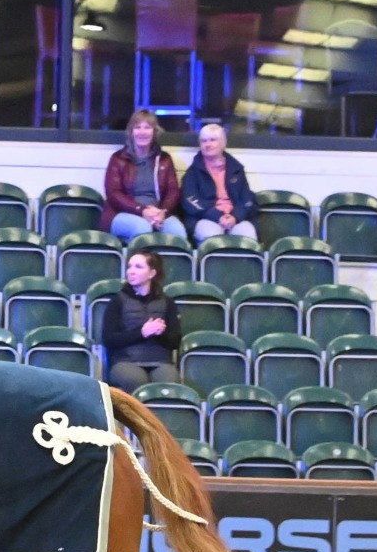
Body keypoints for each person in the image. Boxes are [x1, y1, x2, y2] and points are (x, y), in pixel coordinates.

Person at [100, 250, 182, 392]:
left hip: (160, 361)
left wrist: (160, 333)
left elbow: (175, 342)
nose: (131, 271)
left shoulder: (167, 302)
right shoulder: (117, 301)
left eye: (138, 267)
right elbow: (109, 339)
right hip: (125, 361)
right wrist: (142, 332)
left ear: (151, 273)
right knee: (136, 380)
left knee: (168, 382)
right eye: (129, 267)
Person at [102, 110, 186, 241]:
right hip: (122, 213)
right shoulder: (118, 159)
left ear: (154, 132)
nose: (142, 132)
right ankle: (137, 262)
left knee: (178, 231)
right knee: (142, 228)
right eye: (138, 127)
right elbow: (113, 194)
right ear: (131, 132)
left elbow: (173, 191)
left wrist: (163, 212)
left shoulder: (164, 159)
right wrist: (142, 211)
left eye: (147, 127)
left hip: (158, 213)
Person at [179, 123, 258, 245]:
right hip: (205, 218)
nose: (207, 145)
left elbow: (247, 199)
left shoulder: (236, 169)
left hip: (235, 217)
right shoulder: (193, 172)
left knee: (248, 237)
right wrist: (218, 216)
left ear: (223, 143)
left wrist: (235, 216)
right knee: (214, 239)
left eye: (212, 140)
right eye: (203, 141)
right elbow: (189, 201)